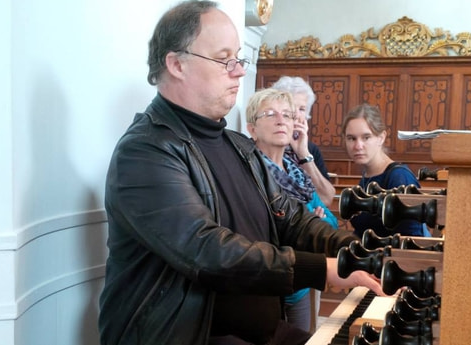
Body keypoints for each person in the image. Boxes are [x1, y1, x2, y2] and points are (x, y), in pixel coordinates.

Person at [98, 2, 384, 345]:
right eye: (224, 59)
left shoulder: (238, 145)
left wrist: (352, 250)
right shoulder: (145, 151)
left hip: (260, 333)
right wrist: (321, 269)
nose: (239, 72)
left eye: (238, 58)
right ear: (176, 64)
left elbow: (291, 219)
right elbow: (206, 252)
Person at [245, 88, 338, 332]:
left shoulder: (295, 171)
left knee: (303, 337)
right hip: (268, 278)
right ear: (252, 128)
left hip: (302, 281)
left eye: (287, 115)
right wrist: (309, 224)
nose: (281, 120)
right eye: (270, 114)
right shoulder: (248, 170)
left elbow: (330, 221)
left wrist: (310, 225)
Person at [342, 103, 431, 238]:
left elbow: (411, 239)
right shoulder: (367, 177)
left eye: (366, 137)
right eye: (351, 138)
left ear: (381, 138)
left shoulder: (399, 177)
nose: (358, 146)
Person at [271, 76, 335, 207]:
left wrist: (303, 154)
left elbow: (327, 199)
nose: (297, 115)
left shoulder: (311, 149)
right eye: (291, 107)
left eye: (302, 109)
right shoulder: (265, 145)